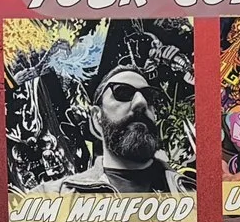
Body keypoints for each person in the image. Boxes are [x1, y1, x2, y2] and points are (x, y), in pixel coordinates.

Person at [34, 63, 192, 196]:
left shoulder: (194, 192)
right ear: (97, 118)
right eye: (123, 92)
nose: (141, 102)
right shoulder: (50, 199)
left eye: (148, 96)